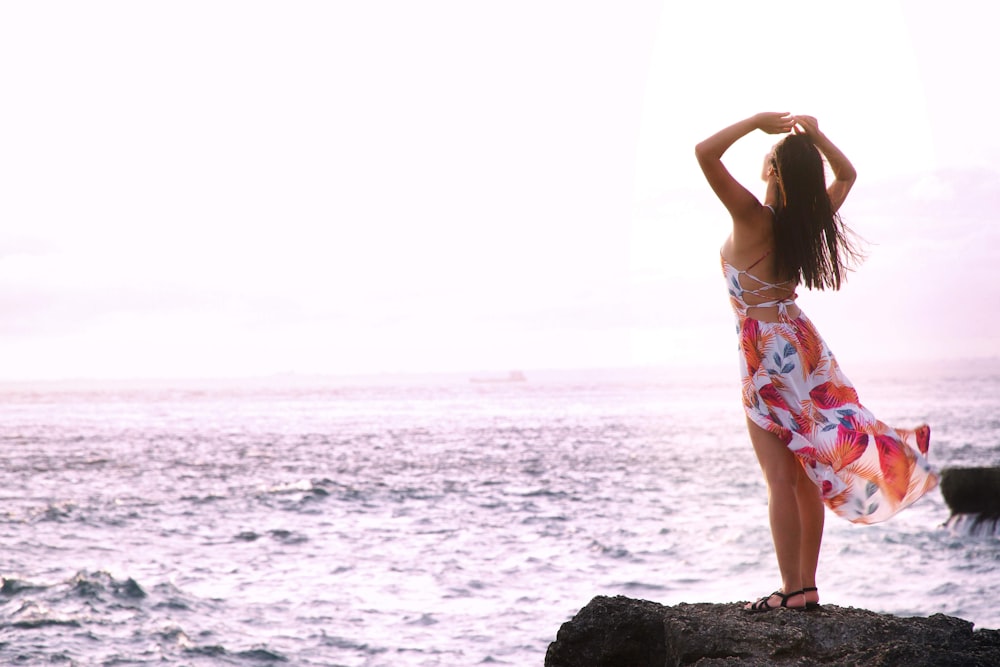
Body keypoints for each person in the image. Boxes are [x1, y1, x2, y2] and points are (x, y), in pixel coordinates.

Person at [695, 113, 938, 612]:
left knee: (780, 478)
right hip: (802, 343)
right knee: (804, 473)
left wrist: (759, 122)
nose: (763, 158)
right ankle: (805, 587)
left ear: (775, 173)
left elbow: (704, 153)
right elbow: (846, 175)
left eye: (768, 158)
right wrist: (819, 138)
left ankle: (789, 590)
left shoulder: (751, 218)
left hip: (765, 349)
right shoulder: (807, 222)